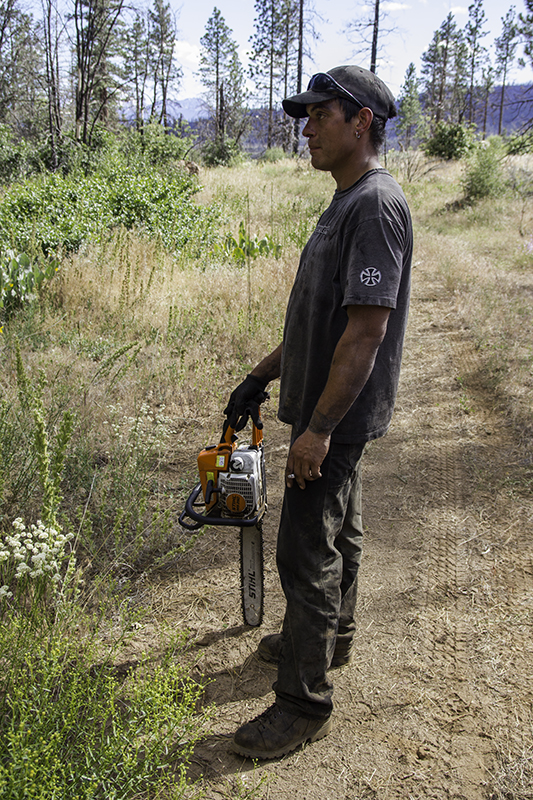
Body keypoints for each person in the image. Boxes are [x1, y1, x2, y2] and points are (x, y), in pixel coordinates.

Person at [225, 65, 413, 760]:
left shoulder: (374, 205)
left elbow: (364, 333)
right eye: (303, 116)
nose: (305, 128)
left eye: (317, 114)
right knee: (343, 532)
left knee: (305, 552)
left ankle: (302, 706)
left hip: (334, 417)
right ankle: (329, 639)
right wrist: (258, 375)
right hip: (320, 410)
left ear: (359, 120)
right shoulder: (343, 201)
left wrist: (318, 431)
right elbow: (320, 319)